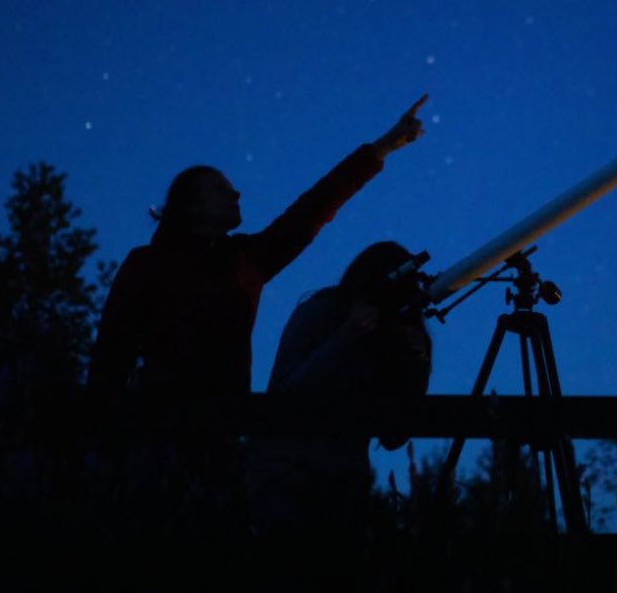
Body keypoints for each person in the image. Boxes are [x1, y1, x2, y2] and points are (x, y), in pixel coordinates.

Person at [83, 95, 427, 554]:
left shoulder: (244, 261)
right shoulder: (146, 266)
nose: (237, 194)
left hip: (222, 440)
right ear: (191, 205)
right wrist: (99, 443)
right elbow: (111, 354)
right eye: (222, 190)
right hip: (158, 438)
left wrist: (382, 148)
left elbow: (312, 210)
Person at [249, 240, 433, 588]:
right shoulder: (319, 312)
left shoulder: (400, 335)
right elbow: (286, 394)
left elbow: (394, 435)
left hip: (344, 486)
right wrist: (345, 337)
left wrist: (416, 363)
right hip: (283, 479)